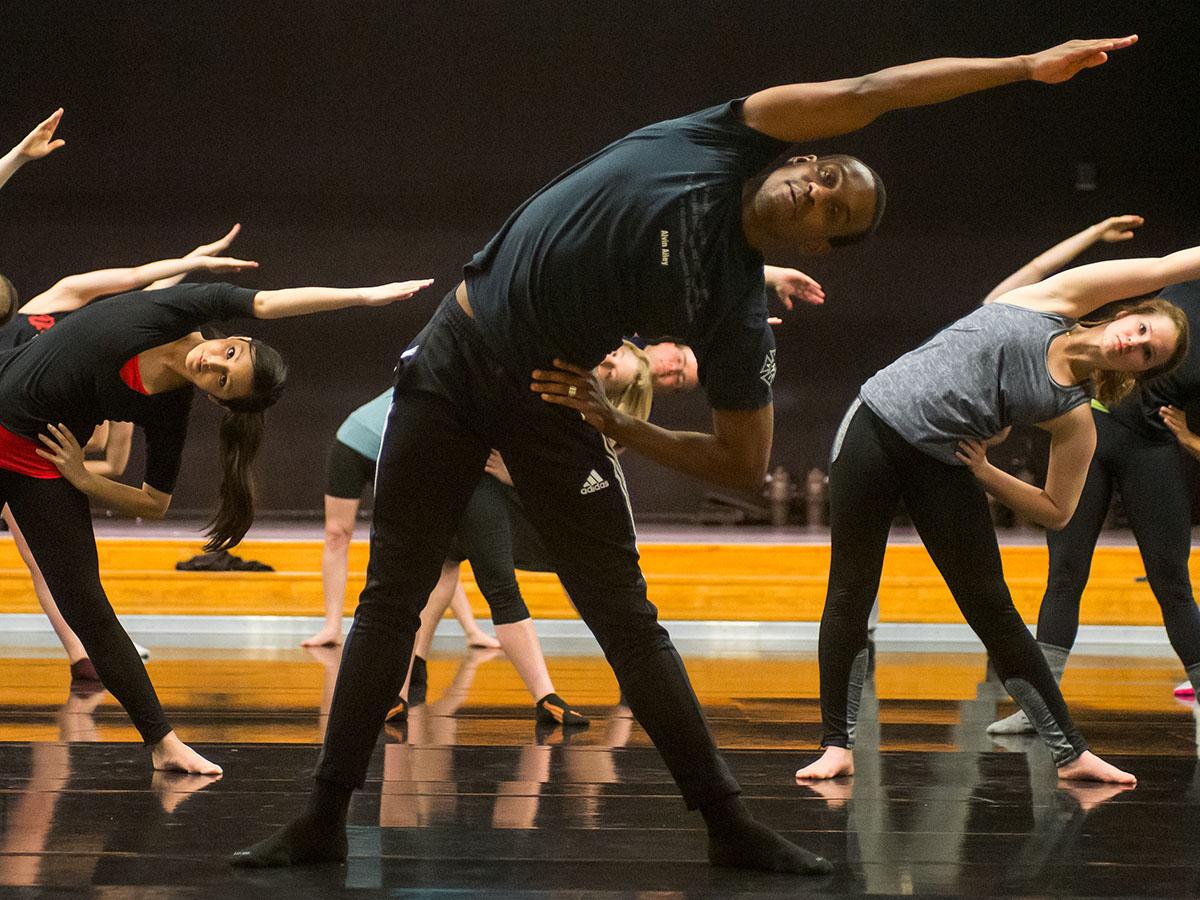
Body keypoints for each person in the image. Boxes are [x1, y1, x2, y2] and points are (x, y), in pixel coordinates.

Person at [232, 36, 1138, 874]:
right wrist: (1025, 66)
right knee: (391, 595)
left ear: (819, 241)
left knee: (625, 617)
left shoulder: (735, 312)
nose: (816, 186)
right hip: (450, 360)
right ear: (797, 154)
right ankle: (321, 815)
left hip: (548, 406)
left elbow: (744, 464)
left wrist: (624, 427)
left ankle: (726, 821)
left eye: (834, 205)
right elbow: (875, 92)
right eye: (822, 171)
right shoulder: (723, 137)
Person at [794, 231, 1200, 787]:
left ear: (1140, 371)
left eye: (1148, 353)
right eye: (1143, 330)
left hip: (946, 461)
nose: (1136, 343)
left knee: (992, 607)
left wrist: (987, 473)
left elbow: (1057, 511)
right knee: (849, 591)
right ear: (1129, 313)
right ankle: (836, 745)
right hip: (874, 426)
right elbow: (1166, 263)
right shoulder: (1055, 302)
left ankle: (1071, 754)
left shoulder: (1075, 416)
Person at [0, 271, 433, 776]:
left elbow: (155, 503)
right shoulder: (175, 312)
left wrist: (81, 476)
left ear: (216, 399)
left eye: (221, 380)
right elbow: (269, 301)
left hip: (37, 464)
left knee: (88, 606)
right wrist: (361, 292)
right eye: (228, 354)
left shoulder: (168, 407)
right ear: (236, 338)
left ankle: (163, 741)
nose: (210, 363)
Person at [1, 225, 246, 684]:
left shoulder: (49, 305)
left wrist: (190, 261)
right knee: (41, 556)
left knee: (46, 557)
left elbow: (140, 287)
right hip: (16, 419)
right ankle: (84, 650)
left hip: (49, 430)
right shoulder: (15, 331)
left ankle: (83, 652)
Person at [985, 237, 1200, 733]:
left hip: (1151, 447)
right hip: (1090, 432)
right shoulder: (1181, 285)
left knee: (1172, 580)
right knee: (1064, 574)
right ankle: (1039, 710)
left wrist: (1189, 437)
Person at [303, 385, 502, 650]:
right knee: (337, 533)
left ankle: (472, 630)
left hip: (397, 452)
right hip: (355, 440)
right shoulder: (432, 374)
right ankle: (331, 627)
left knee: (433, 546)